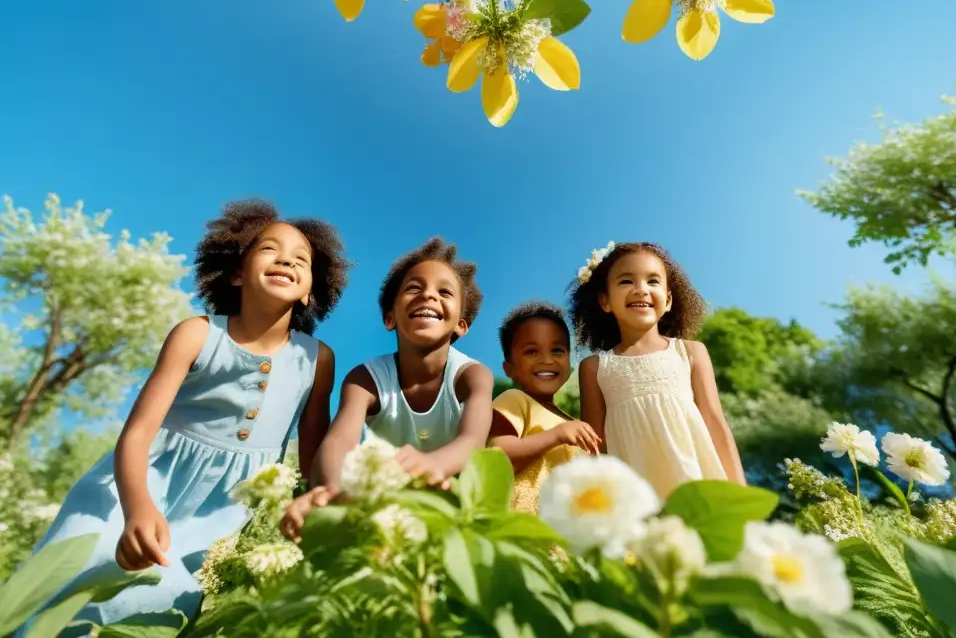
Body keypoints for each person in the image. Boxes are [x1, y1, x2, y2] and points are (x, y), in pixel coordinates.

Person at [24, 200, 348, 628]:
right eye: (269, 249)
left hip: (222, 510)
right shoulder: (196, 334)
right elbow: (137, 434)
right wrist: (137, 509)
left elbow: (311, 462)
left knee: (160, 603)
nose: (285, 258)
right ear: (237, 272)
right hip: (139, 482)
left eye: (300, 259)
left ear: (310, 290)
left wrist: (316, 508)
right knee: (76, 570)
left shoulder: (317, 361)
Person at [280, 237, 494, 541]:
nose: (428, 296)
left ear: (461, 324)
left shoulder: (473, 376)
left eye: (444, 291)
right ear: (390, 318)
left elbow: (473, 440)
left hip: (454, 497)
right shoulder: (365, 379)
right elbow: (339, 442)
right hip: (388, 502)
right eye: (414, 288)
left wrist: (432, 465)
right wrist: (329, 491)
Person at [569, 241, 745, 499]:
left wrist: (741, 493)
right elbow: (596, 447)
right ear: (605, 301)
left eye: (653, 282)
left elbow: (715, 423)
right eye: (626, 281)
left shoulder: (690, 352)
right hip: (634, 494)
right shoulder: (594, 368)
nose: (641, 290)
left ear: (669, 300)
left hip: (696, 482)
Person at [488, 302, 599, 514]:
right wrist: (556, 436)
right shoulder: (514, 400)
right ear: (509, 369)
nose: (547, 360)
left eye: (557, 350)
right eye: (531, 351)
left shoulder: (574, 426)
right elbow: (498, 459)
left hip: (564, 538)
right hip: (524, 531)